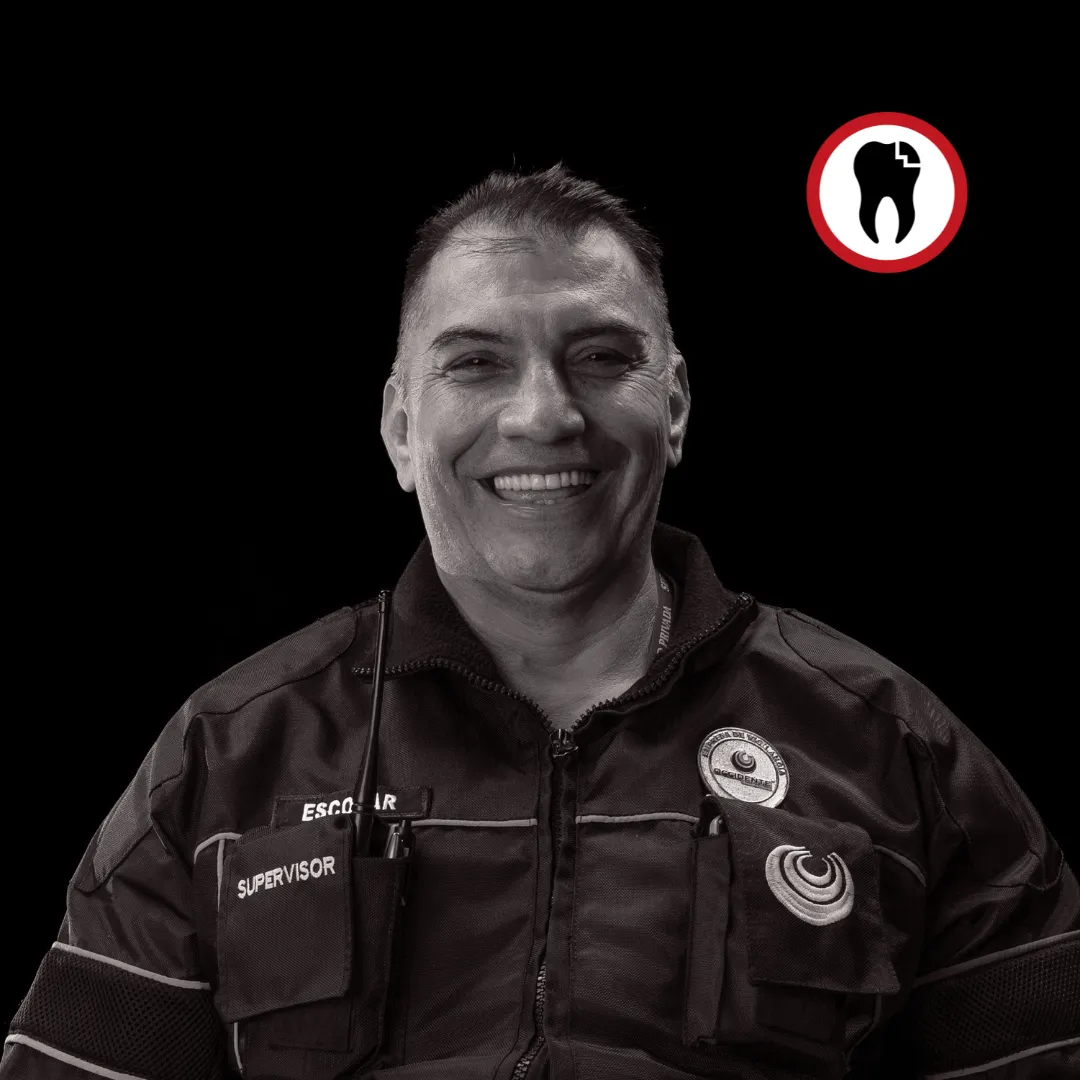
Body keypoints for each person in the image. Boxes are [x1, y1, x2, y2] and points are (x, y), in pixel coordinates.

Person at [4, 164, 1077, 1080]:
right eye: (476, 362)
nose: (544, 415)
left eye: (603, 357)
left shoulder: (893, 745)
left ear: (676, 405)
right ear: (400, 428)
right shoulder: (226, 752)